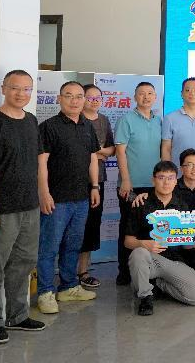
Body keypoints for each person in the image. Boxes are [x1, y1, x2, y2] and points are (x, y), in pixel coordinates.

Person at [0, 70, 46, 344]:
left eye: (27, 89)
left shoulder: (31, 121)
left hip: (29, 207)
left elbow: (39, 162)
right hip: (0, 210)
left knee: (23, 265)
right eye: (15, 88)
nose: (21, 94)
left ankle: (18, 316)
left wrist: (43, 195)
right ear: (3, 88)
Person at [36, 81, 100, 314]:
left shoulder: (87, 125)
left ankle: (68, 287)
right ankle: (45, 292)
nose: (75, 101)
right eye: (69, 96)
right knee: (49, 248)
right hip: (56, 199)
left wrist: (95, 186)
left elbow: (92, 158)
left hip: (81, 198)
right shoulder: (48, 127)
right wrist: (44, 193)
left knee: (73, 245)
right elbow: (41, 163)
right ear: (59, 99)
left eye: (79, 96)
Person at [124, 161, 195, 316]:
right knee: (138, 253)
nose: (166, 182)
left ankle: (158, 285)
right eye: (161, 177)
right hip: (150, 260)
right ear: (153, 180)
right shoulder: (141, 203)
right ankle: (145, 297)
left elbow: (185, 245)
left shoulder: (182, 206)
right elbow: (127, 241)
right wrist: (144, 244)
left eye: (170, 178)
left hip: (174, 261)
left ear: (176, 181)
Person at [114, 81, 162, 285]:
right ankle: (124, 273)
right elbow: (120, 152)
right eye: (142, 93)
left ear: (155, 97)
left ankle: (148, 272)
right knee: (128, 228)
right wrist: (126, 180)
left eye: (150, 93)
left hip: (154, 185)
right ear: (135, 97)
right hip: (131, 186)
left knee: (150, 228)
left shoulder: (159, 121)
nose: (146, 97)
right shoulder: (126, 120)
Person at [77, 84, 115, 290]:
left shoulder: (104, 120)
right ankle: (67, 272)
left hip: (97, 181)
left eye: (97, 98)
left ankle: (83, 271)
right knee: (72, 227)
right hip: (73, 181)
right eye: (89, 97)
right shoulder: (75, 119)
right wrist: (97, 152)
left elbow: (111, 150)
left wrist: (94, 152)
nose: (94, 101)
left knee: (91, 226)